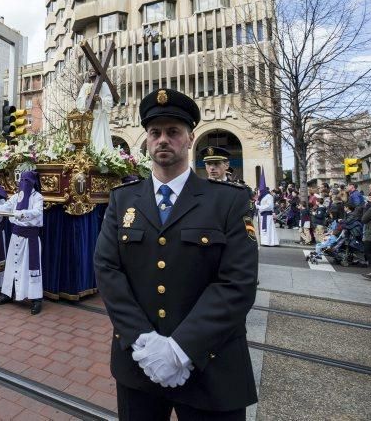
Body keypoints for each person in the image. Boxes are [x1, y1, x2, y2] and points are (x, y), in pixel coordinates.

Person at [94, 87, 258, 419]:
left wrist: (182, 348)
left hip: (211, 366)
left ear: (190, 137)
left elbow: (237, 282)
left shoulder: (228, 201)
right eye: (155, 132)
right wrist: (144, 341)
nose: (163, 139)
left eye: (173, 132)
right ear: (147, 139)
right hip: (139, 363)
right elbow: (107, 269)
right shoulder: (123, 200)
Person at [0, 171, 44, 315]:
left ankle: (36, 299)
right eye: (22, 180)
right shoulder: (16, 196)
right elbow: (5, 208)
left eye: (26, 181)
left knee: (30, 267)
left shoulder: (37, 197)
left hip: (30, 238)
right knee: (12, 265)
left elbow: (38, 212)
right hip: (16, 237)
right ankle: (8, 293)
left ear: (32, 182)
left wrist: (24, 213)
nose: (23, 183)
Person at [76, 65, 114, 151]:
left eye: (93, 71)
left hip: (99, 116)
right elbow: (79, 102)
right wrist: (87, 98)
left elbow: (109, 100)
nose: (91, 73)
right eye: (89, 71)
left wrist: (100, 99)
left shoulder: (103, 85)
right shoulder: (85, 86)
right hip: (88, 117)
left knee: (100, 140)